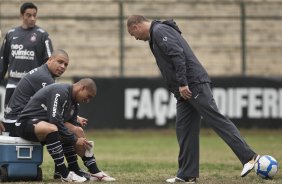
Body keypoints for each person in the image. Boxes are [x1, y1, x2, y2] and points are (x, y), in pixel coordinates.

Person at [127, 15, 260, 183]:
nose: (136, 39)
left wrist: (183, 83)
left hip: (192, 85)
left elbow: (177, 55)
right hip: (184, 92)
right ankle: (187, 175)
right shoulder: (157, 33)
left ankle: (250, 157)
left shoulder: (159, 31)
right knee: (184, 129)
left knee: (216, 120)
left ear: (136, 26)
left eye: (133, 34)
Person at [3, 49, 115, 181]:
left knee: (76, 130)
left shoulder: (51, 79)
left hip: (34, 117)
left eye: (66, 64)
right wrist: (74, 138)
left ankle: (89, 170)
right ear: (49, 60)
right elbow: (54, 112)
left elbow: (53, 108)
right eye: (60, 62)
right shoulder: (45, 78)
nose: (63, 67)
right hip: (18, 121)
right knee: (59, 127)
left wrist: (74, 122)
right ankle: (63, 171)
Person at [15, 79, 97, 182]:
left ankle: (86, 170)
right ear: (82, 88)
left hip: (43, 125)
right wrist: (75, 140)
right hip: (25, 123)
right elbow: (55, 120)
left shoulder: (74, 102)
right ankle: (64, 174)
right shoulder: (61, 91)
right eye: (88, 96)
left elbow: (69, 125)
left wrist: (76, 135)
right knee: (53, 128)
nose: (87, 100)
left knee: (77, 130)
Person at [0, 2, 53, 110]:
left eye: (35, 15)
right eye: (29, 15)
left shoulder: (43, 35)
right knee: (9, 118)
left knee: (30, 119)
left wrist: (48, 84)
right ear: (21, 16)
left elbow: (50, 62)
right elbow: (3, 61)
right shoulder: (11, 34)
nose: (32, 18)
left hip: (32, 84)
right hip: (13, 83)